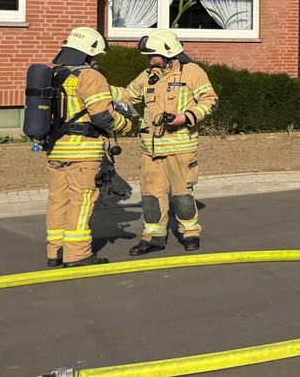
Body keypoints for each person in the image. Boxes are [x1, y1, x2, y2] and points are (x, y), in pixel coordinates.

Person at [118, 29, 218, 256]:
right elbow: (126, 95)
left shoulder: (192, 72)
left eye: (151, 54)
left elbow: (210, 101)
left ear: (167, 52)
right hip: (150, 151)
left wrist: (184, 117)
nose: (148, 58)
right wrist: (100, 89)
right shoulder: (148, 75)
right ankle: (154, 237)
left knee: (182, 194)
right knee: (151, 196)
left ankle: (190, 233)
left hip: (181, 149)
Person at [44, 27, 135, 268]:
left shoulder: (58, 74)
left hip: (56, 150)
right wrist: (126, 125)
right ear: (89, 54)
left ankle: (56, 252)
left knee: (57, 201)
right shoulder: (90, 76)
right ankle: (78, 255)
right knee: (81, 202)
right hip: (83, 152)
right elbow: (103, 117)